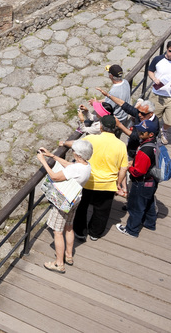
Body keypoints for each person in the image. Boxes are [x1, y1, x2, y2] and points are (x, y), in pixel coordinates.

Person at [64, 115, 128, 241]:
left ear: (101, 126)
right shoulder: (121, 145)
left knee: (82, 207)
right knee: (102, 211)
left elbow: (76, 145)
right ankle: (95, 233)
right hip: (107, 184)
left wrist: (64, 143)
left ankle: (80, 231)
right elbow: (124, 168)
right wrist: (118, 184)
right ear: (114, 128)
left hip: (88, 181)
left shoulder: (91, 138)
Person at [37, 140, 93, 273]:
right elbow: (69, 166)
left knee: (57, 232)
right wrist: (53, 156)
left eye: (73, 151)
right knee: (68, 226)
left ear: (78, 155)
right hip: (75, 199)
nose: (72, 152)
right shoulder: (86, 166)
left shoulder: (75, 168)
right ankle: (68, 255)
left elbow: (55, 177)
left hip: (63, 201)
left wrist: (42, 161)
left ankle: (59, 264)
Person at [117, 128, 159, 237]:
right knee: (148, 202)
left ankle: (131, 230)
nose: (139, 133)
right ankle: (150, 223)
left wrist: (130, 167)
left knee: (136, 206)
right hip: (152, 180)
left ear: (150, 134)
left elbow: (138, 172)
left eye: (142, 132)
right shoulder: (155, 143)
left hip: (142, 182)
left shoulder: (145, 150)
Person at [94, 64, 135, 137]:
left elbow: (107, 107)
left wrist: (95, 104)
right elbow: (112, 100)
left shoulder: (114, 91)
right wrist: (100, 101)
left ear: (111, 76)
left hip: (116, 120)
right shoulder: (125, 82)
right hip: (124, 116)